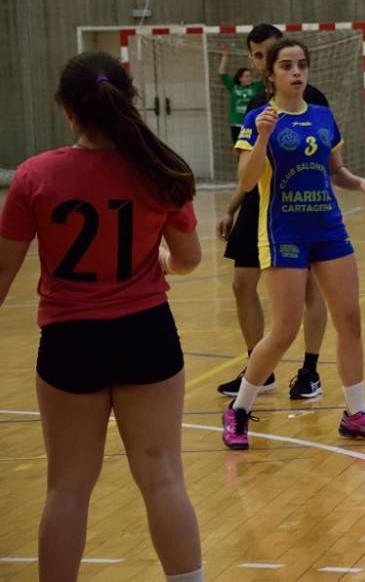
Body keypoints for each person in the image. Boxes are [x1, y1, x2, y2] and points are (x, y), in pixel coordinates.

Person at [0, 52, 204, 580]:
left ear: (69, 110)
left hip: (70, 342)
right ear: (127, 100)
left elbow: (1, 275)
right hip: (147, 335)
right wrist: (160, 260)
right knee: (164, 479)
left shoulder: (34, 177)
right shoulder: (161, 170)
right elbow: (188, 259)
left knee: (66, 488)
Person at [221, 38, 365, 450]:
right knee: (283, 330)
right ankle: (240, 408)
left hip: (328, 227)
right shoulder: (257, 118)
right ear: (271, 75)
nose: (296, 72)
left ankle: (355, 413)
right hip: (284, 231)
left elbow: (335, 170)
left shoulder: (322, 116)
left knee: (349, 320)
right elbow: (247, 183)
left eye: (302, 65)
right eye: (286, 66)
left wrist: (361, 183)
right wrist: (262, 137)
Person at [216, 24, 329, 400]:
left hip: (298, 210)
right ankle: (258, 370)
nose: (278, 66)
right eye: (262, 56)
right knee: (241, 284)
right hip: (257, 206)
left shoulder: (314, 101)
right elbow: (249, 171)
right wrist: (232, 207)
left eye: (281, 58)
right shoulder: (254, 108)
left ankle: (310, 370)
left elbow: (324, 163)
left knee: (310, 290)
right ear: (256, 62)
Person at [218, 43, 263, 144]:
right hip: (236, 124)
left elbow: (265, 75)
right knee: (239, 150)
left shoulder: (255, 86)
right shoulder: (234, 87)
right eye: (246, 76)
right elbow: (222, 73)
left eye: (250, 76)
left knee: (251, 149)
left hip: (250, 124)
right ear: (240, 78)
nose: (249, 78)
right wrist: (225, 57)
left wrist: (256, 60)